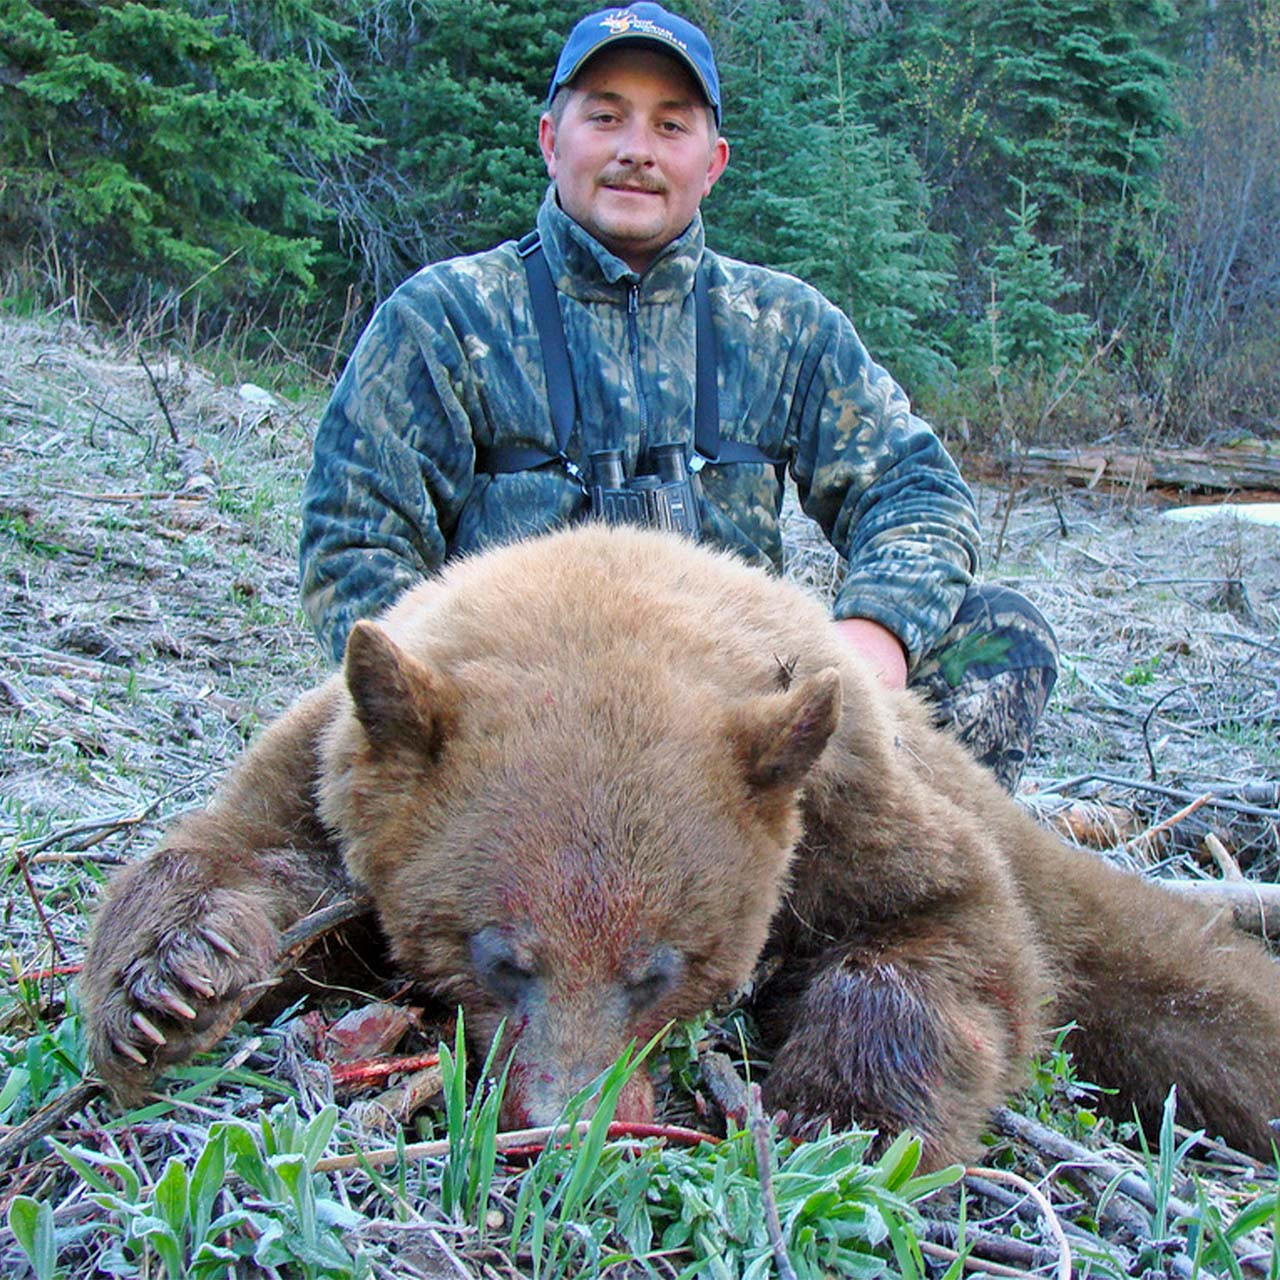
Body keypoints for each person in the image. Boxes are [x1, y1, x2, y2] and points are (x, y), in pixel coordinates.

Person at [299, 2, 1057, 791]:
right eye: (605, 117)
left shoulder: (784, 327)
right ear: (550, 140)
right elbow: (352, 544)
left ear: (714, 160)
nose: (636, 151)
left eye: (670, 126)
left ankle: (837, 895)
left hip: (732, 738)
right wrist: (466, 702)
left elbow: (916, 490)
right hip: (519, 739)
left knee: (1000, 635)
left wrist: (871, 636)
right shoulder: (445, 321)